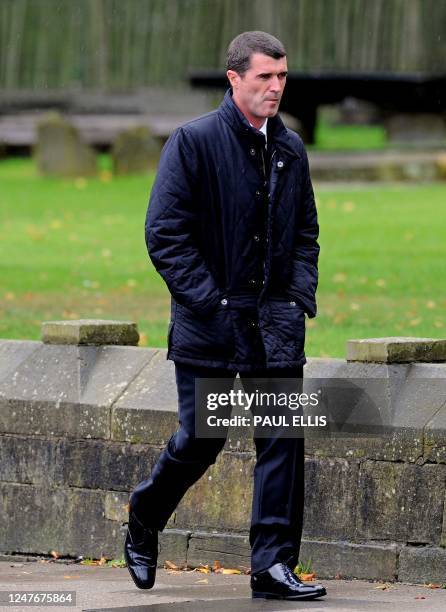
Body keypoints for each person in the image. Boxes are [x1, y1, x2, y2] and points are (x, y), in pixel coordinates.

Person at [125, 30, 326, 601]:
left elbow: (306, 232)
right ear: (234, 78)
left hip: (276, 322)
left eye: (282, 77)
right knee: (202, 437)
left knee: (284, 436)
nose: (275, 87)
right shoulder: (193, 143)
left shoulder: (290, 149)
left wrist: (296, 298)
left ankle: (273, 567)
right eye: (264, 76)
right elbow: (165, 235)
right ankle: (144, 515)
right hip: (211, 321)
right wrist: (211, 302)